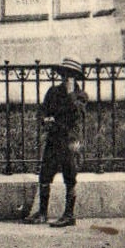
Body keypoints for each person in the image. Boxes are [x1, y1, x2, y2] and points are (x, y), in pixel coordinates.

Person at [26, 59, 88, 227]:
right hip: (54, 139)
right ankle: (42, 213)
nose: (67, 78)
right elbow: (43, 110)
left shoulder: (81, 96)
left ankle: (69, 215)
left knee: (70, 177)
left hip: (69, 140)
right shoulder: (53, 92)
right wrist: (45, 119)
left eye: (71, 75)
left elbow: (77, 114)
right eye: (64, 74)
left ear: (76, 78)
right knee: (45, 175)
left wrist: (70, 94)